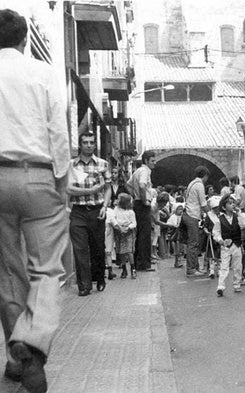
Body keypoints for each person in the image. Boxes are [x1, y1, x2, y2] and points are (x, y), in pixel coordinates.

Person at [0, 9, 69, 392]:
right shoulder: (42, 74)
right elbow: (57, 132)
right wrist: (61, 181)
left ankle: (17, 358)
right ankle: (32, 343)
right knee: (46, 270)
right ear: (25, 40)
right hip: (38, 174)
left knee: (9, 273)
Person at [67, 131, 112, 296]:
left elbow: (108, 188)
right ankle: (84, 286)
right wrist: (92, 190)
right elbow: (68, 188)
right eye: (85, 142)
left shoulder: (102, 164)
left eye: (91, 142)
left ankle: (99, 278)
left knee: (98, 248)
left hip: (96, 210)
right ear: (80, 144)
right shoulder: (71, 165)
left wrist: (105, 206)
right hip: (78, 211)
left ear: (95, 144)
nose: (88, 145)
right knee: (80, 249)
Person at [213, 194, 245, 296]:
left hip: (236, 244)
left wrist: (239, 213)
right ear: (224, 207)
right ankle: (221, 286)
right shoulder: (219, 219)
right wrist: (221, 241)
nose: (233, 205)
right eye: (230, 203)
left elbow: (244, 224)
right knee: (224, 267)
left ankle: (237, 284)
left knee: (238, 265)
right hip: (226, 246)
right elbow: (216, 232)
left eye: (233, 203)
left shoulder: (238, 216)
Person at [128, 151, 157, 272]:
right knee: (145, 235)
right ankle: (144, 264)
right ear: (146, 161)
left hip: (137, 203)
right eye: (152, 161)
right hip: (142, 204)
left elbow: (128, 184)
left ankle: (139, 262)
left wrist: (135, 196)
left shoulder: (137, 171)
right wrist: (144, 200)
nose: (154, 163)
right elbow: (142, 185)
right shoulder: (145, 171)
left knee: (140, 234)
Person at [184, 166, 210, 276]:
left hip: (188, 213)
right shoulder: (199, 185)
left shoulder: (192, 183)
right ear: (205, 176)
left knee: (193, 242)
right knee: (194, 243)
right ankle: (191, 269)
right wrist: (211, 214)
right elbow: (203, 203)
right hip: (193, 215)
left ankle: (195, 267)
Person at [105, 168, 128, 281]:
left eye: (115, 173)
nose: (113, 175)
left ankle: (122, 263)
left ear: (119, 175)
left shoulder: (123, 187)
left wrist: (119, 203)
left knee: (120, 241)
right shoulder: (107, 186)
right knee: (109, 240)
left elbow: (128, 199)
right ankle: (109, 265)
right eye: (112, 173)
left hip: (118, 214)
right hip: (109, 213)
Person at [112, 193, 137, 279]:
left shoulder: (130, 212)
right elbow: (113, 218)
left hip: (128, 232)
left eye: (119, 199)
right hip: (119, 231)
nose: (117, 200)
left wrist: (128, 228)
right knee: (121, 251)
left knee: (129, 251)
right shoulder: (116, 209)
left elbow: (134, 223)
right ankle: (124, 269)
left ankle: (133, 269)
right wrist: (118, 227)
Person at [167, 202, 185, 268]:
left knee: (180, 249)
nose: (180, 211)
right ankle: (177, 262)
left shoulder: (183, 217)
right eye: (179, 209)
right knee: (176, 250)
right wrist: (174, 225)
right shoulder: (172, 217)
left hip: (181, 235)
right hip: (174, 235)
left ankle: (179, 261)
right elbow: (168, 224)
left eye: (181, 209)